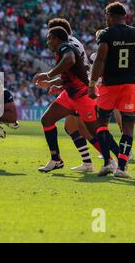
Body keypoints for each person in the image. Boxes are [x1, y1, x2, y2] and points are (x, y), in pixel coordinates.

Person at [33, 27, 119, 173]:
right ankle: (56, 159)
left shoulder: (65, 47)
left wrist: (48, 75)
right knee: (47, 120)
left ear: (56, 38)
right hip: (70, 95)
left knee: (95, 130)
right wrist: (52, 83)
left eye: (49, 38)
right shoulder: (67, 47)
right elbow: (70, 74)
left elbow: (70, 60)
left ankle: (118, 158)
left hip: (83, 95)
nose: (47, 42)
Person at [88, 2, 135, 178]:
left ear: (109, 15)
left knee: (101, 124)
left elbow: (100, 59)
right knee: (128, 128)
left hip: (109, 86)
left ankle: (107, 162)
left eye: (105, 16)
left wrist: (92, 84)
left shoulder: (107, 34)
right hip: (130, 86)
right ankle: (122, 168)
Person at [47, 18, 103, 172]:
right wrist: (60, 85)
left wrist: (51, 78)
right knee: (71, 127)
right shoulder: (73, 43)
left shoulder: (69, 45)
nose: (48, 37)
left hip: (80, 91)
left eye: (50, 34)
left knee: (85, 129)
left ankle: (110, 159)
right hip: (75, 89)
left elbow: (75, 66)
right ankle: (88, 162)